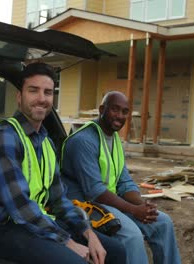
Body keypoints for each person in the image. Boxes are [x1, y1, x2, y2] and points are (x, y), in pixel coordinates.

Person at [0, 63, 126, 264]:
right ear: (19, 97)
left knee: (115, 251)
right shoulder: (5, 136)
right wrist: (68, 242)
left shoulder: (46, 142)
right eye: (33, 90)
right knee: (74, 260)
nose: (42, 98)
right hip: (1, 228)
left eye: (48, 92)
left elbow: (59, 200)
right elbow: (20, 206)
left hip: (35, 223)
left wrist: (88, 234)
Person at [61, 91, 181, 264]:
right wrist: (133, 210)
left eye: (125, 111)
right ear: (102, 109)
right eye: (114, 109)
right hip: (84, 204)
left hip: (107, 201)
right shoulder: (83, 140)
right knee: (132, 236)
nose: (120, 116)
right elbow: (95, 191)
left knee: (163, 222)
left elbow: (124, 182)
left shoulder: (114, 139)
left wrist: (142, 206)